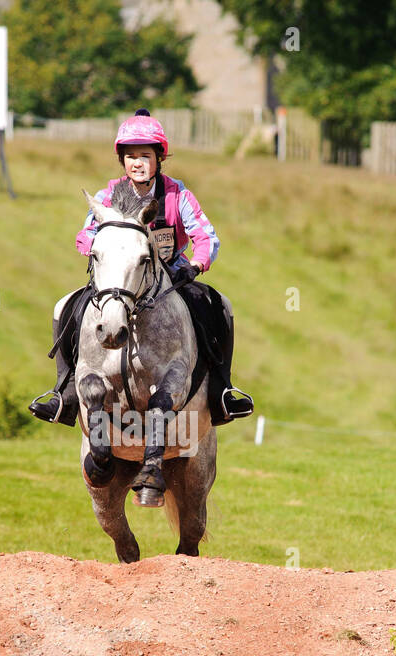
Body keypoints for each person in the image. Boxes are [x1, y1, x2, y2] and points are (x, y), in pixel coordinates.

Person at [29, 108, 255, 427]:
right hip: (118, 279)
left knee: (220, 306)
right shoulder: (107, 195)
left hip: (171, 278)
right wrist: (94, 248)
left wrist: (195, 264)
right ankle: (63, 392)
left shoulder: (178, 194)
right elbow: (86, 234)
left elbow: (206, 236)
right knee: (64, 306)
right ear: (122, 160)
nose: (138, 163)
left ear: (158, 159)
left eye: (145, 156)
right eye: (131, 156)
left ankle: (222, 390)